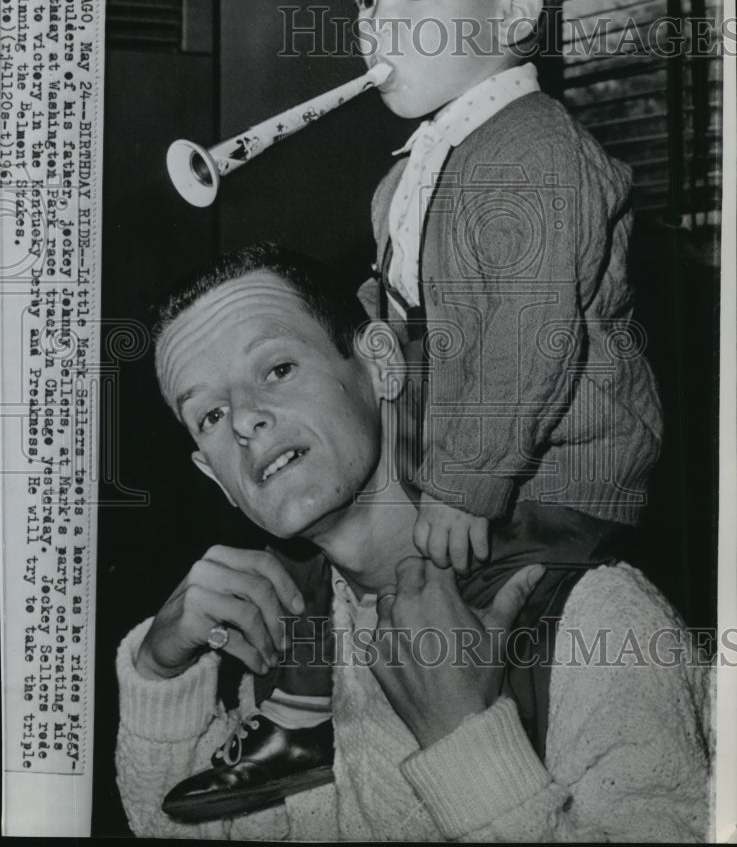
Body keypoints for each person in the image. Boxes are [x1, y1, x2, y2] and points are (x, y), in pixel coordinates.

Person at [115, 245, 710, 841]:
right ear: (214, 475)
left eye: (278, 370)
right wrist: (159, 673)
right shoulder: (293, 645)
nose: (244, 419)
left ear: (379, 364)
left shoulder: (596, 617)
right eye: (210, 416)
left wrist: (465, 741)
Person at [351, 0, 663, 567]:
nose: (377, 23)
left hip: (557, 475)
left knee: (502, 635)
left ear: (514, 17)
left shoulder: (537, 153)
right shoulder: (413, 169)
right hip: (470, 456)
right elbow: (412, 300)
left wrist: (465, 484)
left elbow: (530, 336)